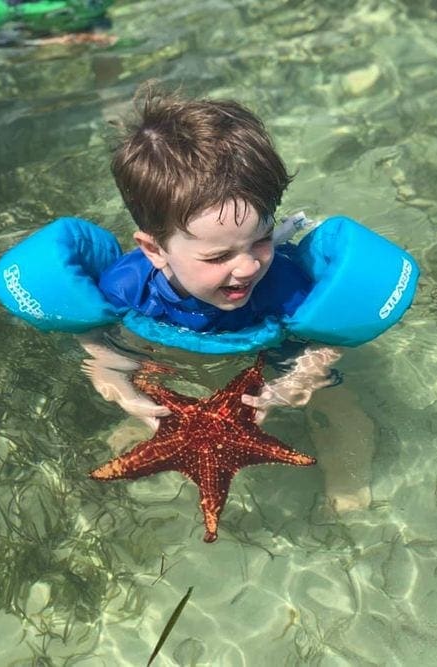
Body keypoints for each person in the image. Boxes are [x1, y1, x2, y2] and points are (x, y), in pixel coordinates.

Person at [80, 83, 375, 512]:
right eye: (218, 255)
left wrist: (298, 380)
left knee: (335, 398)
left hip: (273, 345)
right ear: (155, 250)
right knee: (147, 386)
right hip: (170, 343)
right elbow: (98, 340)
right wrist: (116, 385)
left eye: (261, 240)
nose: (248, 267)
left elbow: (327, 340)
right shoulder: (128, 286)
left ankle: (350, 480)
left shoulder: (285, 283)